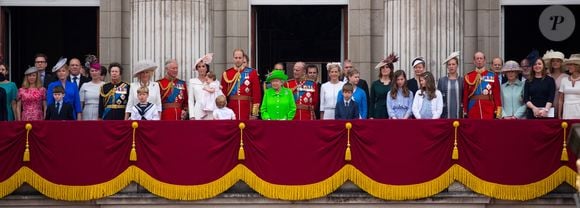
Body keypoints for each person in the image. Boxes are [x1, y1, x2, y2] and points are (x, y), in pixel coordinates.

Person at [220, 49, 261, 120]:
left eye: (240, 58)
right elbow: (223, 94)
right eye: (236, 58)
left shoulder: (252, 72)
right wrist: (224, 111)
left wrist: (254, 113)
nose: (238, 60)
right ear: (233, 58)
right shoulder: (226, 73)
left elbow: (256, 94)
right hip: (231, 108)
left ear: (243, 58)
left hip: (247, 108)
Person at [463, 52, 502, 119]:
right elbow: (465, 96)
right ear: (474, 61)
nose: (479, 60)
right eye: (477, 58)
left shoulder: (493, 76)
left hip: (489, 109)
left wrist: (499, 114)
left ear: (484, 61)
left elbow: (497, 97)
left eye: (481, 58)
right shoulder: (468, 76)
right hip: (473, 108)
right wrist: (465, 111)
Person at [370, 53, 397, 119]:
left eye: (387, 67)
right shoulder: (375, 84)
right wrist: (371, 116)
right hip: (378, 113)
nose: (384, 69)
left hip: (392, 113)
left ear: (391, 69)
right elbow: (372, 101)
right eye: (382, 67)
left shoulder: (394, 83)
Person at [437, 51, 463, 119]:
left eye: (453, 64)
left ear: (457, 65)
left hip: (459, 114)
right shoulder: (442, 80)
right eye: (449, 64)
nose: (451, 66)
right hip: (445, 114)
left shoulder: (462, 80)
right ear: (447, 66)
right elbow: (438, 98)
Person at [188, 53, 214, 120]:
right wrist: (192, 115)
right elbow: (190, 100)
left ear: (206, 68)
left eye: (203, 66)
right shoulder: (192, 81)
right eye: (199, 67)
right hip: (198, 111)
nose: (201, 68)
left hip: (210, 110)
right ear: (197, 69)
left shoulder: (212, 81)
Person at [543, 50, 568, 119]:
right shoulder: (546, 76)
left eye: (558, 61)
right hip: (547, 107)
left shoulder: (566, 77)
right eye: (553, 61)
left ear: (561, 63)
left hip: (561, 107)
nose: (555, 63)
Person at [558, 54, 580, 119]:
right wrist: (559, 114)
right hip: (567, 111)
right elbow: (560, 99)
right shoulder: (564, 80)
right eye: (568, 65)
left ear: (577, 66)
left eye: (571, 65)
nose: (568, 67)